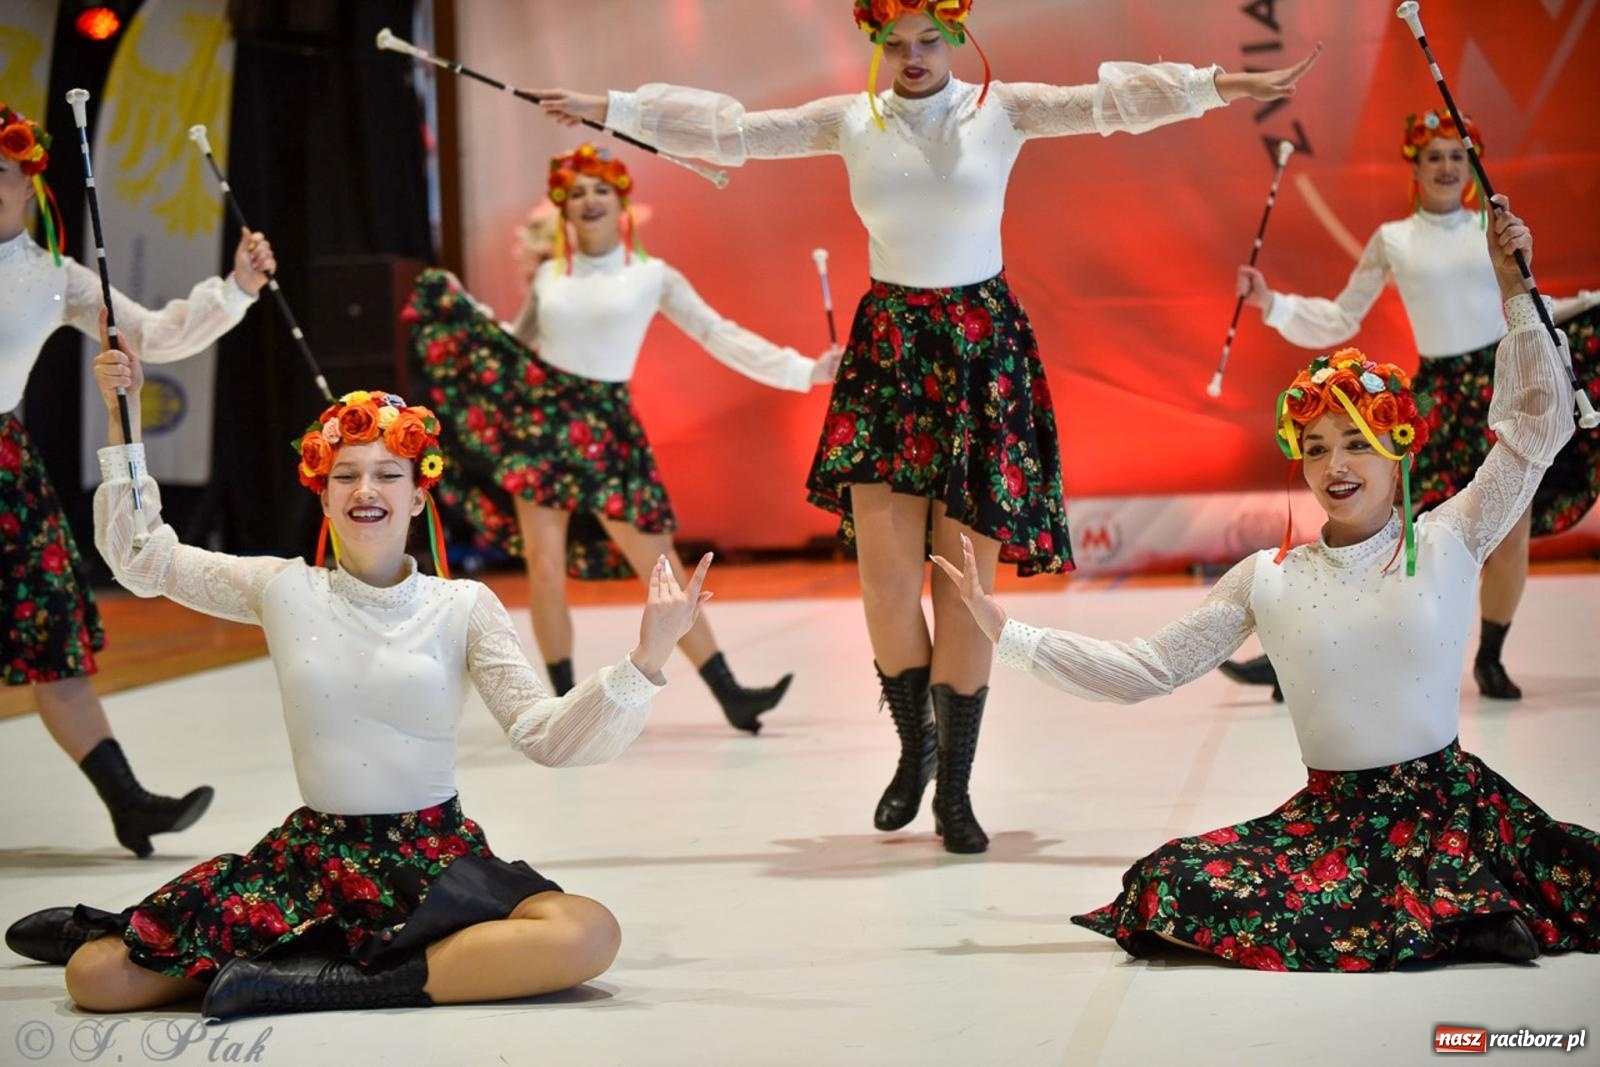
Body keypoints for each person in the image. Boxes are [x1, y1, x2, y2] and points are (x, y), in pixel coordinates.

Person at [537, 0, 1319, 852]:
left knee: (963, 588)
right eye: (896, 44)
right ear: (876, 46)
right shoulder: (851, 120)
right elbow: (735, 131)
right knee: (885, 580)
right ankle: (916, 747)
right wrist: (610, 108)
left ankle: (955, 786)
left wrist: (1220, 82)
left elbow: (1111, 104)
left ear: (956, 40)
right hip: (891, 353)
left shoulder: (1003, 110)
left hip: (982, 353)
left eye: (928, 41)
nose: (913, 57)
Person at [933, 198, 1599, 969]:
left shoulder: (1451, 534)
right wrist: (1005, 632)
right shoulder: (1269, 578)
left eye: (1358, 443)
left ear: (1400, 454)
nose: (1336, 467)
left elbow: (1533, 427)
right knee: (1164, 884)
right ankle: (1448, 920)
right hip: (1330, 828)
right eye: (1317, 449)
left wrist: (1511, 285)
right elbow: (1149, 669)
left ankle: (1454, 910)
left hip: (1457, 815)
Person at [3, 332, 711, 1017]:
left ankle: (322, 980)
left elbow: (547, 735)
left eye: (386, 474)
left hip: (435, 860)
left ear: (417, 498)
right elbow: (140, 558)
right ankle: (169, 939)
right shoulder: (281, 587)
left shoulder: (463, 605)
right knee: (94, 976)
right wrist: (121, 416)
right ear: (323, 494)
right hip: (311, 859)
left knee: (588, 932)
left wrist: (645, 661)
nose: (364, 487)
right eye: (346, 473)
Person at [408, 144, 837, 734]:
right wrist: (470, 322)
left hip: (609, 430)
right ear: (563, 207)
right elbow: (516, 343)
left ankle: (731, 693)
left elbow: (717, 333)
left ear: (621, 202)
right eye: (576, 192)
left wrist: (804, 370)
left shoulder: (652, 276)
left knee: (660, 567)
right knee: (546, 567)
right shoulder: (551, 277)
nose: (589, 201)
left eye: (600, 190)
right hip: (543, 426)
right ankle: (559, 705)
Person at [1220, 110, 1600, 702]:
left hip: (1496, 385)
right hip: (1437, 400)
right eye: (1434, 157)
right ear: (1414, 167)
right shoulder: (1393, 240)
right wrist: (1272, 303)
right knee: (1373, 523)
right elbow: (1342, 316)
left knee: (1509, 528)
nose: (1447, 166)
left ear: (1469, 164)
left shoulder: (1492, 230)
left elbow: (1534, 297)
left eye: (1457, 154)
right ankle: (1295, 654)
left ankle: (1491, 659)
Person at [1, 99, 275, 855]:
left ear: (29, 180)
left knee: (53, 634)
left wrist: (238, 289)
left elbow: (152, 332)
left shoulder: (54, 276)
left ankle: (126, 802)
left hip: (5, 469)